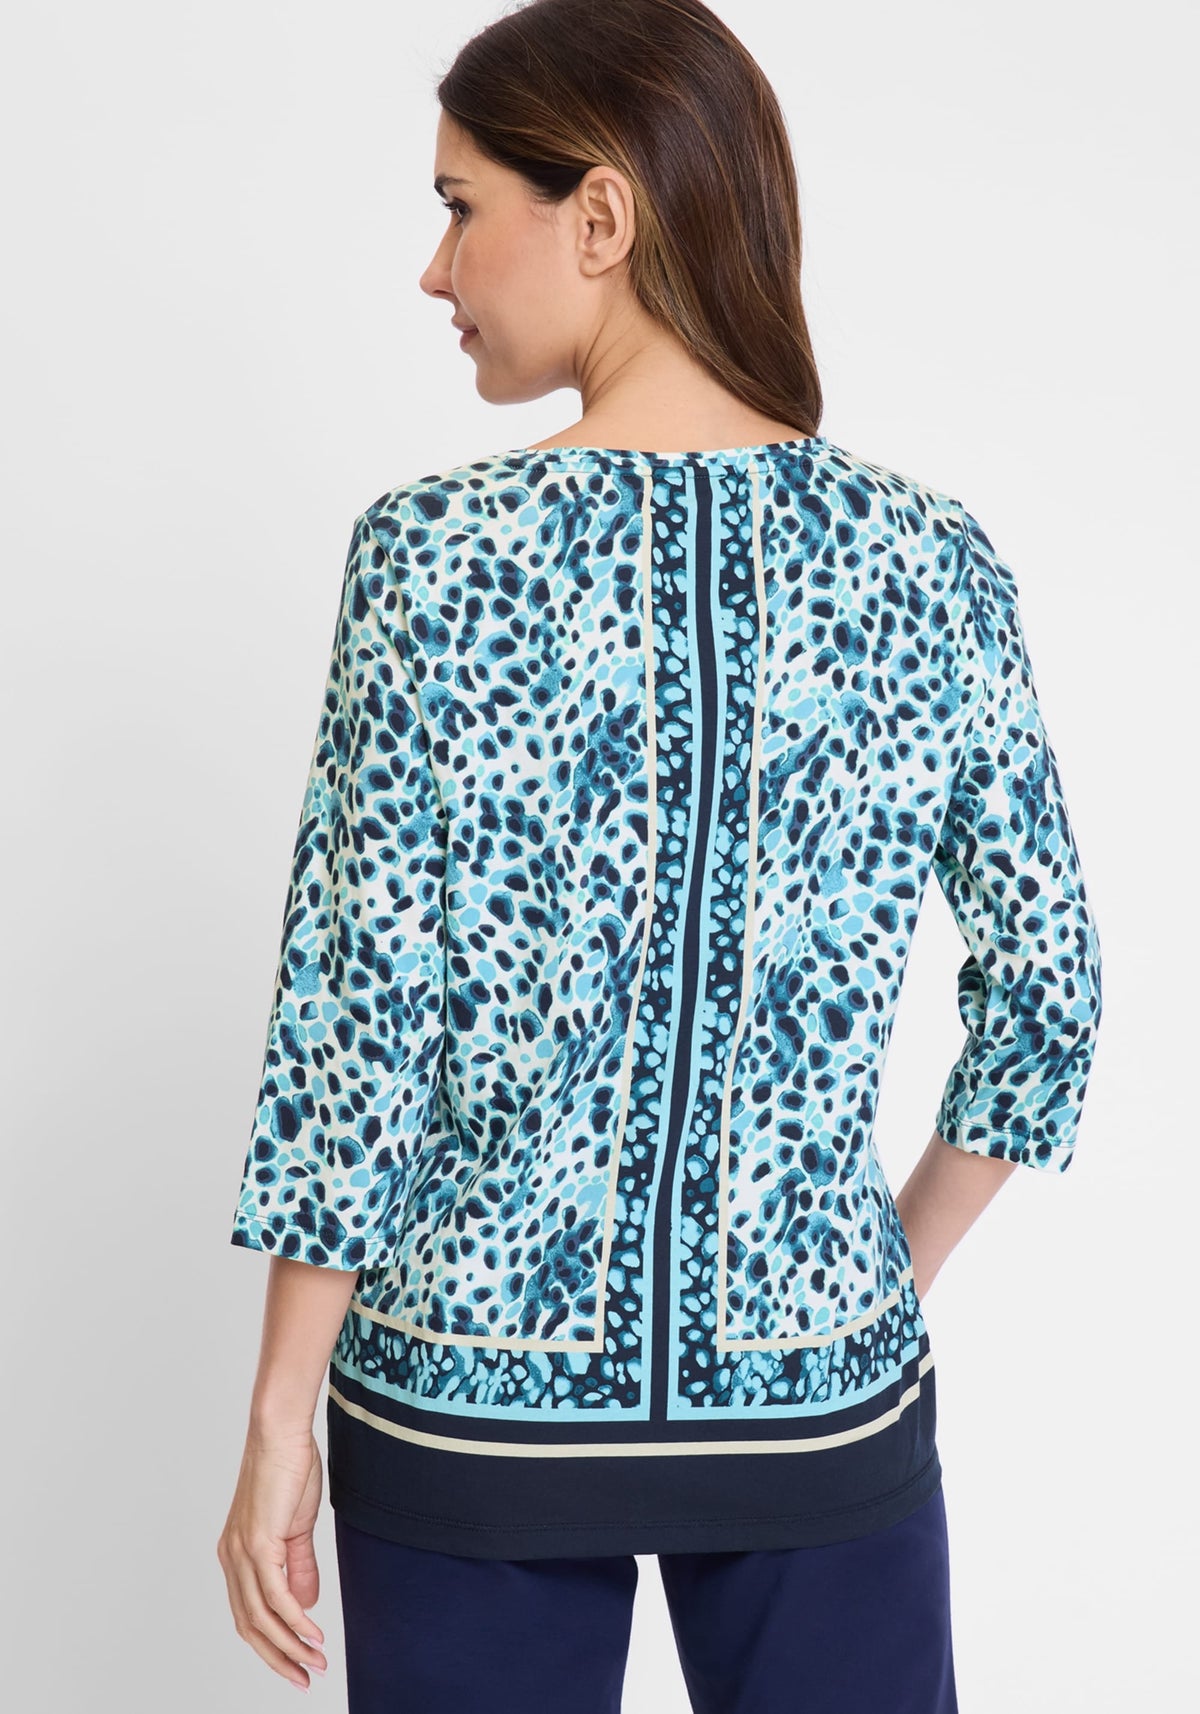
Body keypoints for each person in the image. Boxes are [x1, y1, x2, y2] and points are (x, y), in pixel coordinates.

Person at [216, 2, 1104, 1708]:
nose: (433, 268)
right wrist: (867, 1285)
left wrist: (274, 1417)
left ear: (602, 216)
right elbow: (1050, 995)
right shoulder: (931, 561)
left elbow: (356, 1023)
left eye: (461, 206)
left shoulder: (432, 558)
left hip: (466, 1407)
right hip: (817, 1399)